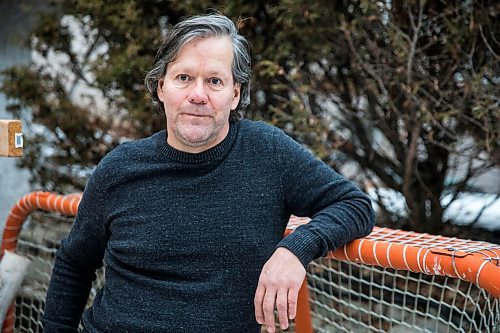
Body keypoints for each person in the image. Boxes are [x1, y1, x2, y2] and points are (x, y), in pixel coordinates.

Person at [42, 13, 375, 333]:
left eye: (214, 81)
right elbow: (75, 264)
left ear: (235, 94)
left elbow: (355, 205)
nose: (197, 95)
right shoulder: (119, 168)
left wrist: (295, 249)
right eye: (184, 78)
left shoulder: (268, 153)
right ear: (161, 88)